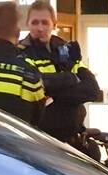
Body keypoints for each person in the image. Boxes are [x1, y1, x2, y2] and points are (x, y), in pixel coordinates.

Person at [19, 1, 101, 145]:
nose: (40, 28)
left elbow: (91, 89)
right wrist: (70, 79)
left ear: (54, 24)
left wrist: (53, 96)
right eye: (35, 22)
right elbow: (36, 84)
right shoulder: (20, 52)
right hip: (41, 141)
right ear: (28, 24)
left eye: (45, 22)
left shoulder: (67, 50)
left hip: (74, 140)